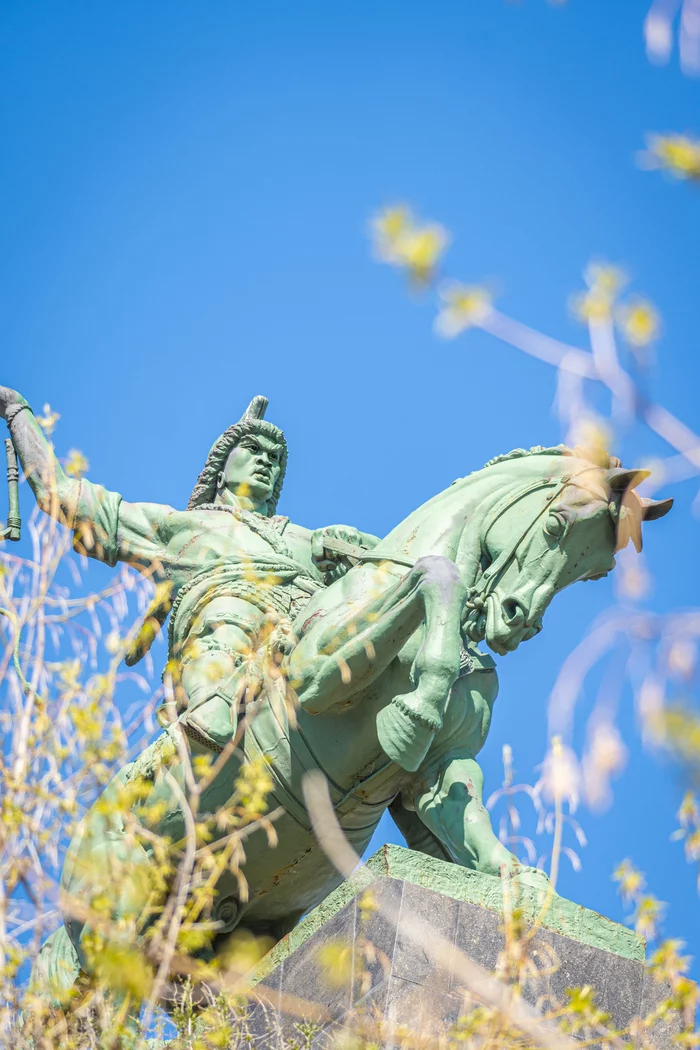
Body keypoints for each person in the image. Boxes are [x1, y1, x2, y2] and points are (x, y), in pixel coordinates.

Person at [0, 386, 379, 750]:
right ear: (220, 470)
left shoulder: (307, 540)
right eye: (252, 449)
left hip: (309, 642)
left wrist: (353, 549)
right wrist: (17, 411)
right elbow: (63, 497)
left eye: (275, 458)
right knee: (228, 618)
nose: (266, 461)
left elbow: (392, 569)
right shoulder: (180, 529)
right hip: (232, 638)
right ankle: (211, 707)